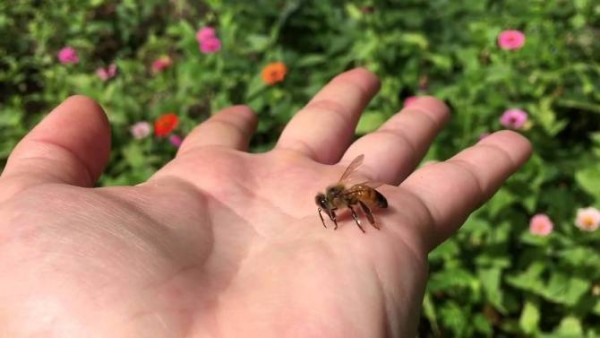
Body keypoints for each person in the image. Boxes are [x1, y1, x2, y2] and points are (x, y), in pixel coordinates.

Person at [0, 68, 531, 337]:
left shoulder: (351, 198)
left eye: (333, 209)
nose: (332, 212)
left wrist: (363, 219)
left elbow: (360, 194)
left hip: (378, 203)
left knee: (370, 202)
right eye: (333, 210)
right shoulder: (335, 197)